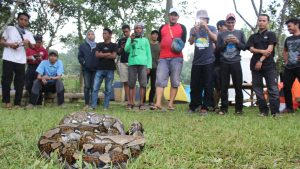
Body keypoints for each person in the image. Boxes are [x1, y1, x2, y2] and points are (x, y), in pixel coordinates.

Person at [151, 8, 187, 111]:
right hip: (163, 58)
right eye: (172, 14)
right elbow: (159, 41)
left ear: (178, 17)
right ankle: (158, 103)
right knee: (160, 80)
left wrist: (175, 46)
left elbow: (183, 42)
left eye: (175, 15)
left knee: (175, 81)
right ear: (168, 16)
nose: (173, 17)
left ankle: (170, 104)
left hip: (177, 58)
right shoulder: (162, 27)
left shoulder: (182, 27)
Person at [0, 12, 36, 109]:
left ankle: (17, 103)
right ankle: (6, 102)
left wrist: (28, 43)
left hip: (21, 60)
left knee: (20, 82)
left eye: (25, 20)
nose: (23, 21)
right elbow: (1, 41)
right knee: (6, 81)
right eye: (21, 19)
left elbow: (33, 47)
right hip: (8, 58)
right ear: (17, 19)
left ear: (27, 22)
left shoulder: (28, 33)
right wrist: (10, 44)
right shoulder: (10, 29)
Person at [247, 14, 279, 117]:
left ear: (267, 22)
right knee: (257, 89)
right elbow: (251, 49)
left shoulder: (271, 34)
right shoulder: (253, 36)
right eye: (259, 20)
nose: (261, 22)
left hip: (268, 66)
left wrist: (260, 60)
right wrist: (262, 51)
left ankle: (275, 112)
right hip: (255, 67)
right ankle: (263, 111)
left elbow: (269, 50)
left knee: (272, 89)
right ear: (257, 22)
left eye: (264, 20)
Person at [188, 10, 217, 115]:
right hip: (196, 62)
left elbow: (216, 39)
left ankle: (205, 107)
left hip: (209, 61)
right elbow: (190, 42)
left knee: (208, 85)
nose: (201, 21)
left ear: (207, 20)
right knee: (194, 85)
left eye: (203, 18)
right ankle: (194, 105)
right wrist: (194, 33)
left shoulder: (212, 28)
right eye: (200, 18)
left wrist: (207, 28)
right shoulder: (193, 28)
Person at [216, 13, 246, 115]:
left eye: (232, 22)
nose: (230, 23)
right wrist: (224, 43)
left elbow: (244, 47)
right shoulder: (221, 34)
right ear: (226, 22)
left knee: (238, 86)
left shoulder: (240, 33)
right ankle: (224, 108)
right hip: (224, 63)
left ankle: (239, 109)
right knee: (224, 86)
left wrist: (237, 41)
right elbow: (217, 49)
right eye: (229, 22)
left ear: (235, 22)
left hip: (236, 62)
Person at [125, 23, 152, 110]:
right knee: (131, 84)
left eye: (140, 28)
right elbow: (126, 50)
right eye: (136, 28)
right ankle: (131, 103)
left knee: (143, 84)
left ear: (142, 30)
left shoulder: (145, 40)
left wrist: (149, 66)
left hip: (143, 64)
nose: (138, 30)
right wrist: (131, 41)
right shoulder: (130, 38)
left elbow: (149, 54)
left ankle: (141, 103)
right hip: (132, 63)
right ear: (134, 30)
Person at [91, 28, 117, 110]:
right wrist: (108, 53)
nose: (103, 35)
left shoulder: (114, 45)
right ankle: (93, 106)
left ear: (110, 35)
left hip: (110, 69)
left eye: (105, 33)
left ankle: (105, 107)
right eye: (103, 33)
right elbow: (97, 55)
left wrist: (102, 54)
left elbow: (114, 56)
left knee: (108, 89)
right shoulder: (99, 44)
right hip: (100, 69)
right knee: (95, 88)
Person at [282, 18, 300, 113]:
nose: (288, 28)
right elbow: (285, 50)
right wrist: (286, 61)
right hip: (289, 67)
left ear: (296, 25)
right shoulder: (288, 39)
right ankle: (289, 108)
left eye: (290, 26)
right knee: (286, 87)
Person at [25, 35, 48, 105]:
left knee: (38, 84)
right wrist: (32, 58)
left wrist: (41, 60)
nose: (38, 44)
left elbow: (46, 61)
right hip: (31, 67)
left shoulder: (44, 50)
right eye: (36, 42)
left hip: (40, 68)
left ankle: (39, 102)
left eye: (39, 42)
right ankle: (31, 100)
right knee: (28, 84)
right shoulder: (29, 49)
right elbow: (24, 58)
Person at [78, 30, 98, 110]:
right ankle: (86, 103)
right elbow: (80, 56)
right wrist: (84, 62)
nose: (90, 36)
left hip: (95, 69)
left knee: (94, 87)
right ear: (87, 36)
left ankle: (93, 104)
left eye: (92, 34)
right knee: (87, 86)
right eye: (88, 34)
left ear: (94, 36)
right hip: (86, 69)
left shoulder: (97, 46)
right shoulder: (82, 46)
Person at [117, 24, 135, 106]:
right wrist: (121, 47)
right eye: (124, 32)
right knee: (125, 82)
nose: (125, 33)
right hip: (123, 62)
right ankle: (128, 101)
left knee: (132, 82)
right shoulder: (121, 40)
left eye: (126, 31)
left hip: (132, 62)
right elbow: (118, 52)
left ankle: (133, 100)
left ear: (130, 30)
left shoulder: (134, 39)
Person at [213, 20, 227, 111]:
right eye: (225, 25)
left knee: (223, 86)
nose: (227, 27)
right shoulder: (216, 36)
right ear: (219, 27)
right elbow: (215, 50)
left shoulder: (229, 36)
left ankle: (224, 105)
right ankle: (215, 106)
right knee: (217, 87)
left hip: (227, 64)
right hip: (217, 64)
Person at [147, 30, 160, 106]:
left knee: (153, 85)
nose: (155, 36)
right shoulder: (147, 44)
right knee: (144, 83)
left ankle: (151, 101)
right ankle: (142, 100)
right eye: (153, 34)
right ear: (151, 36)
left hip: (156, 67)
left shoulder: (160, 44)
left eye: (156, 34)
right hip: (147, 66)